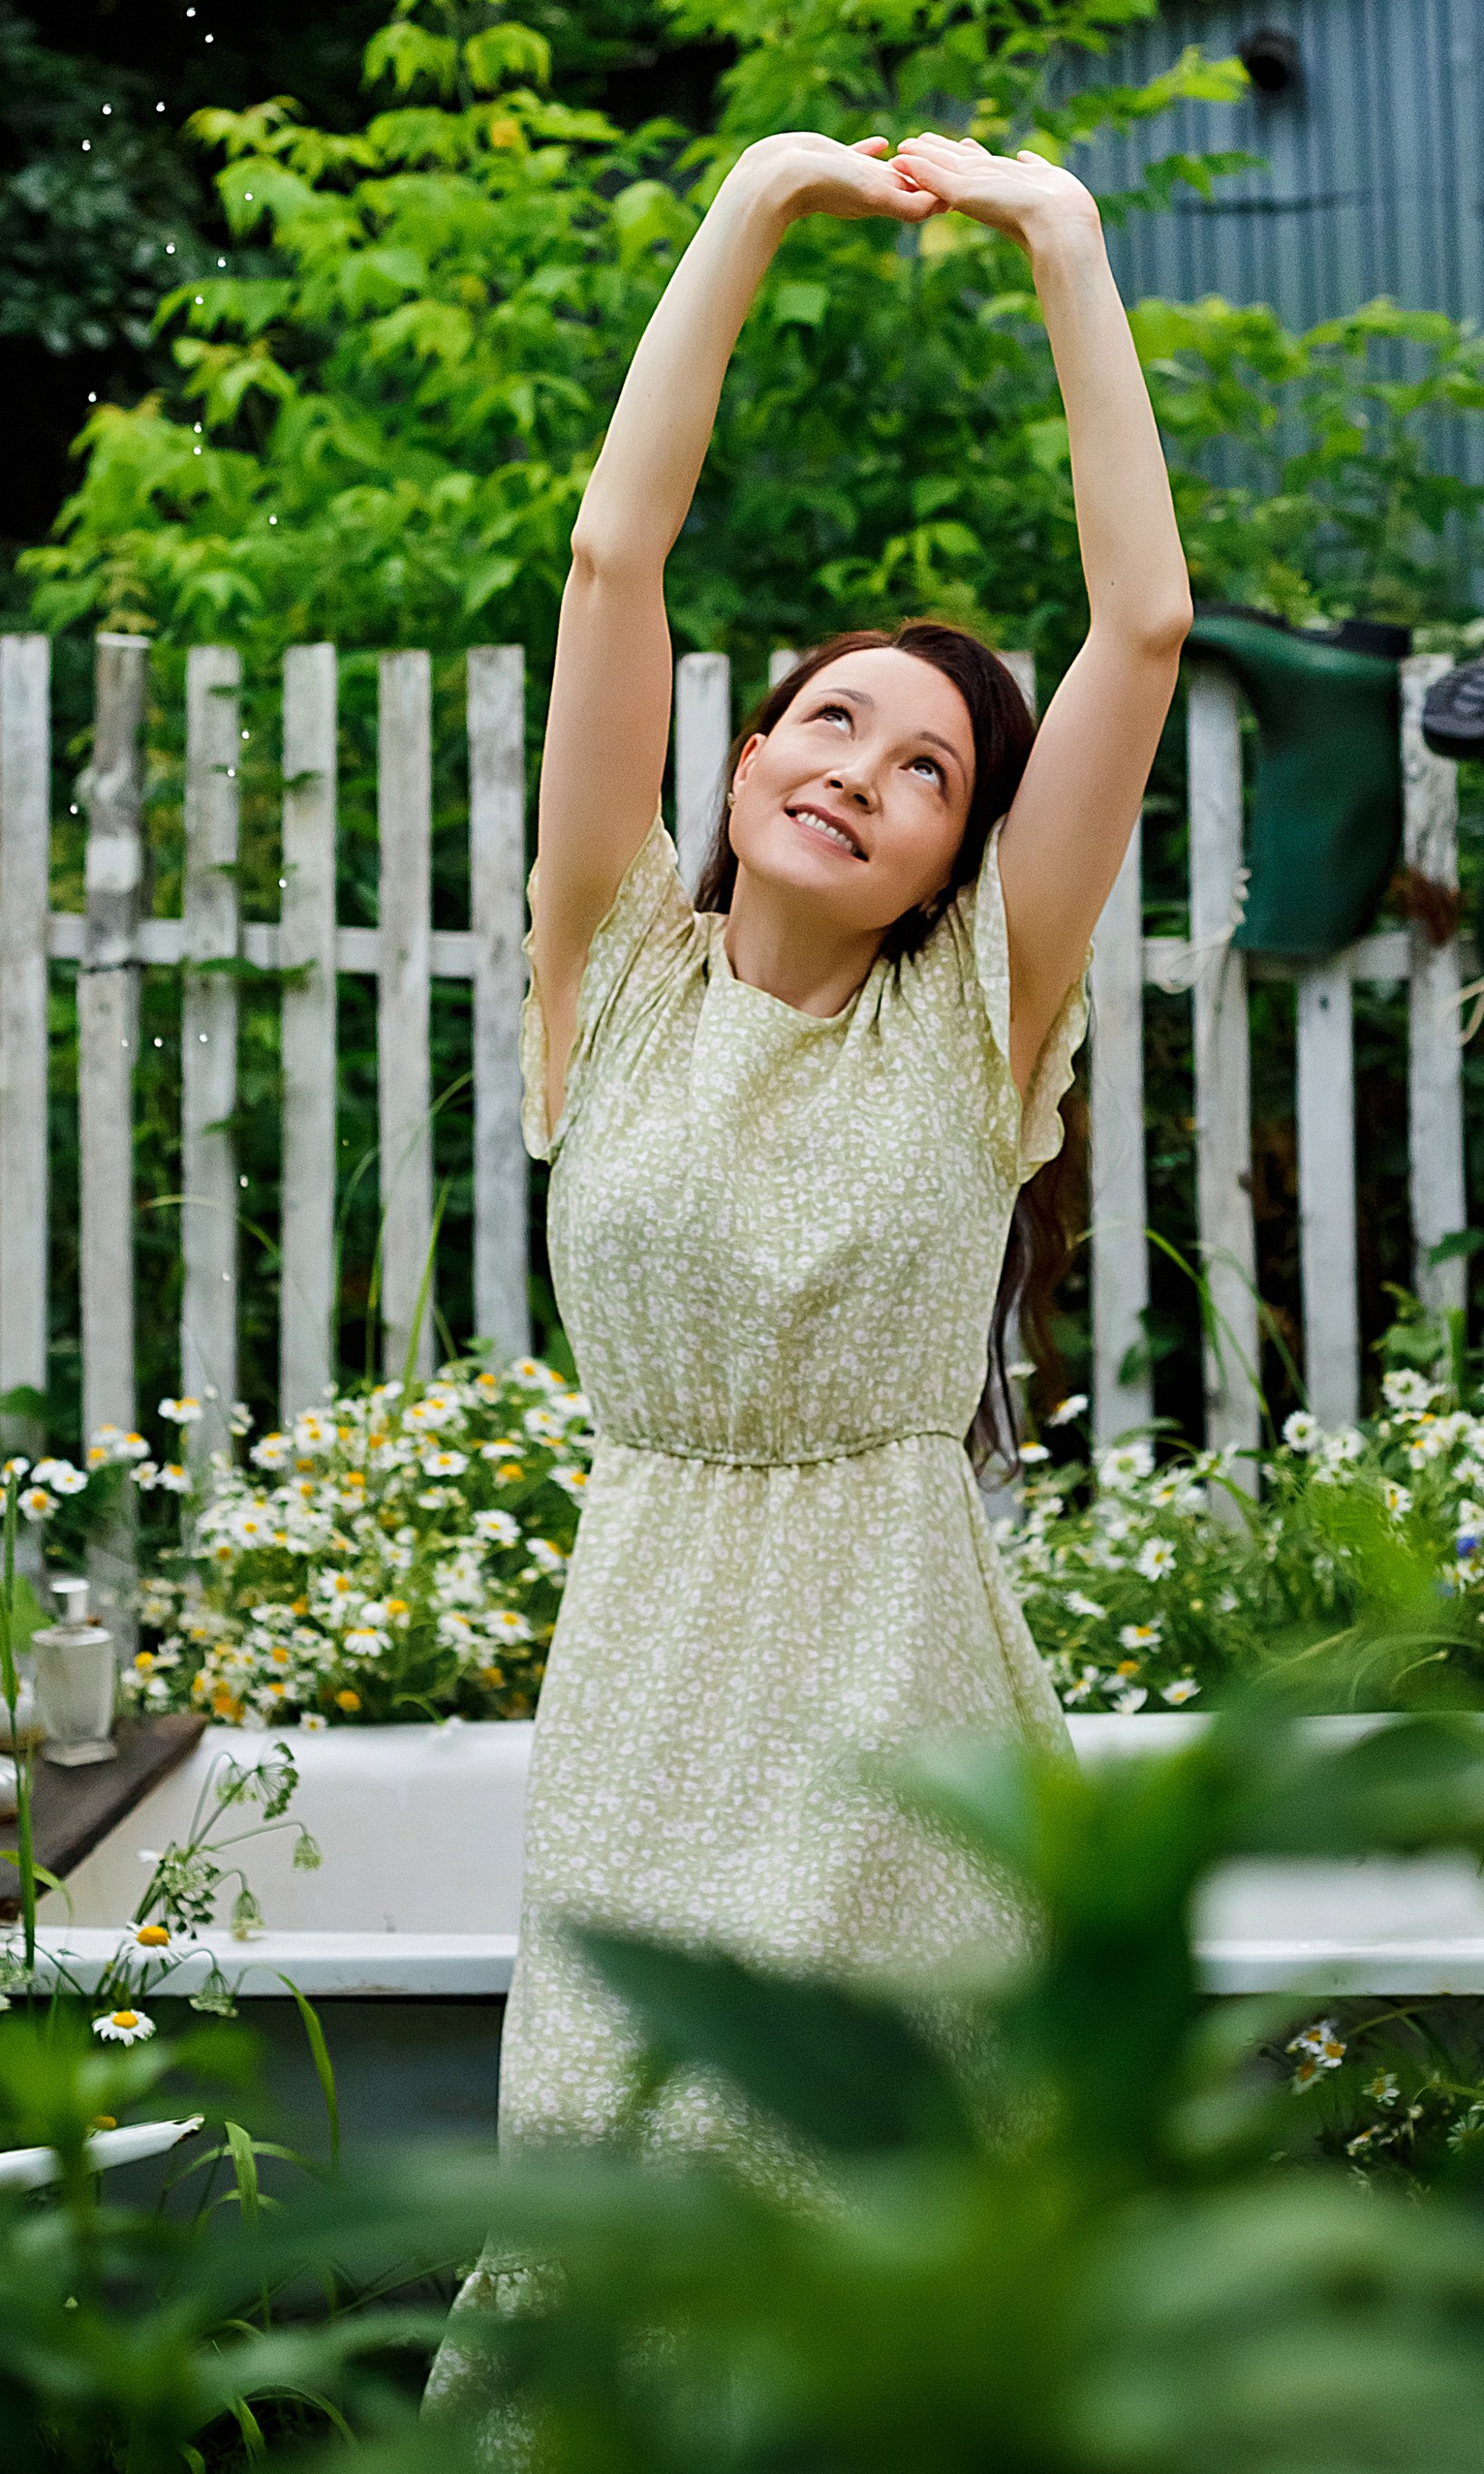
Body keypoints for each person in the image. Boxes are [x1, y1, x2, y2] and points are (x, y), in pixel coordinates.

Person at [462, 124, 1189, 2236]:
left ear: (963, 861)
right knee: (616, 2180)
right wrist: (757, 197)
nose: (863, 772)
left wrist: (1059, 236)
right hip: (641, 1673)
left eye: (929, 770)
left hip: (892, 1682)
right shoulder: (610, 967)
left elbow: (1141, 628)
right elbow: (612, 562)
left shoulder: (973, 1017)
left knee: (849, 2205)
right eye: (833, 723)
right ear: (748, 756)